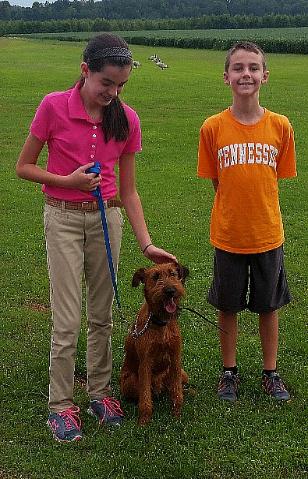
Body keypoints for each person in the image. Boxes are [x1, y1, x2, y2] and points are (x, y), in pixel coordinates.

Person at [16, 33, 176, 442]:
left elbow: (129, 191)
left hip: (108, 221)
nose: (113, 92)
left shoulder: (127, 119)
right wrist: (65, 180)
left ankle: (101, 393)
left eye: (121, 86)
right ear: (85, 70)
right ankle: (61, 405)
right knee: (67, 319)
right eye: (107, 83)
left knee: (102, 316)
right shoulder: (53, 106)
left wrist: (148, 244)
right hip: (63, 219)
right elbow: (24, 167)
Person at [197, 41, 296, 402]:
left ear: (265, 75)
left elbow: (274, 178)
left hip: (268, 232)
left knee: (269, 305)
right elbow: (217, 180)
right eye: (238, 68)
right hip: (228, 234)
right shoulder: (212, 127)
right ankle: (229, 372)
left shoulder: (280, 126)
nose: (246, 74)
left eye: (253, 68)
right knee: (228, 304)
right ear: (226, 77)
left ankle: (270, 372)